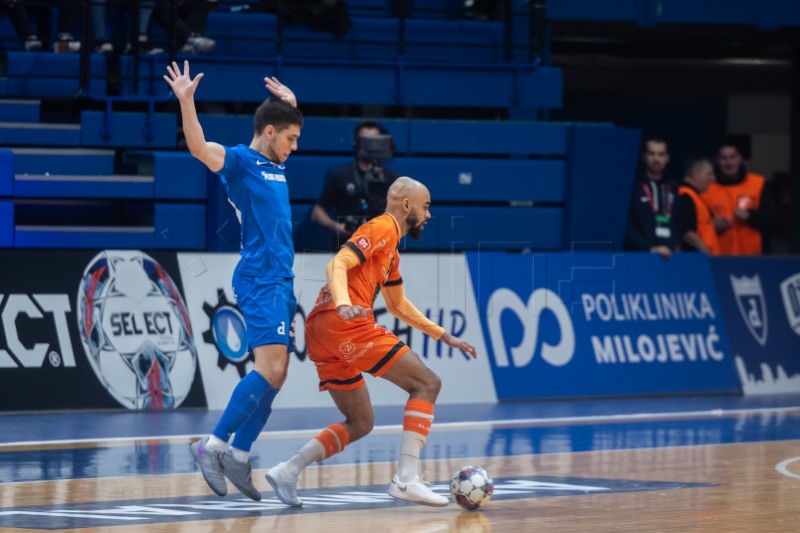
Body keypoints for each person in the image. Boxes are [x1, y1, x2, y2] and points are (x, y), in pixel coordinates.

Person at [266, 176, 478, 508]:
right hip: (345, 323)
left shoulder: (391, 252)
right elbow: (337, 262)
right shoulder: (382, 228)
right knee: (427, 383)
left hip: (320, 330)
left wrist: (442, 335)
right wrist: (342, 302)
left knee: (361, 422)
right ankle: (406, 478)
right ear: (406, 204)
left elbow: (397, 305)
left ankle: (287, 470)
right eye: (426, 207)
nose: (428, 215)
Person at [163, 60, 302, 502]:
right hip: (259, 277)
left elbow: (281, 125)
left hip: (281, 279)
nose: (295, 147)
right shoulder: (241, 162)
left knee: (277, 377)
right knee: (271, 369)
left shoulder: (276, 161)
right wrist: (187, 102)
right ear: (269, 131)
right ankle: (213, 446)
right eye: (291, 138)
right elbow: (200, 147)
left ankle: (240, 457)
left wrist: (292, 106)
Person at [311, 121, 400, 250]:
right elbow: (317, 213)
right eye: (365, 141)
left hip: (380, 250)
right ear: (356, 143)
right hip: (347, 248)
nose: (370, 146)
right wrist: (336, 227)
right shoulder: (341, 175)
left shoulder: (392, 180)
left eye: (374, 141)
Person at [700, 139, 773, 255]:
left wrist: (750, 215)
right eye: (723, 158)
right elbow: (697, 225)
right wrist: (712, 225)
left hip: (755, 257)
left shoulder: (759, 184)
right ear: (716, 161)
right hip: (718, 257)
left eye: (732, 157)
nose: (729, 162)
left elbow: (772, 219)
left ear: (739, 158)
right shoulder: (706, 188)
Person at [624, 137, 677, 259]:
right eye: (652, 154)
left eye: (661, 154)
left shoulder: (673, 188)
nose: (656, 159)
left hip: (671, 257)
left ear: (667, 158)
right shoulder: (633, 187)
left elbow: (677, 222)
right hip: (641, 257)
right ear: (644, 157)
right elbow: (628, 228)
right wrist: (649, 248)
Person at [673, 157, 719, 255]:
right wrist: (704, 250)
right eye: (709, 174)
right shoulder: (685, 196)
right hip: (695, 260)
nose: (713, 179)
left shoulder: (695, 196)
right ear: (695, 173)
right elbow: (685, 230)